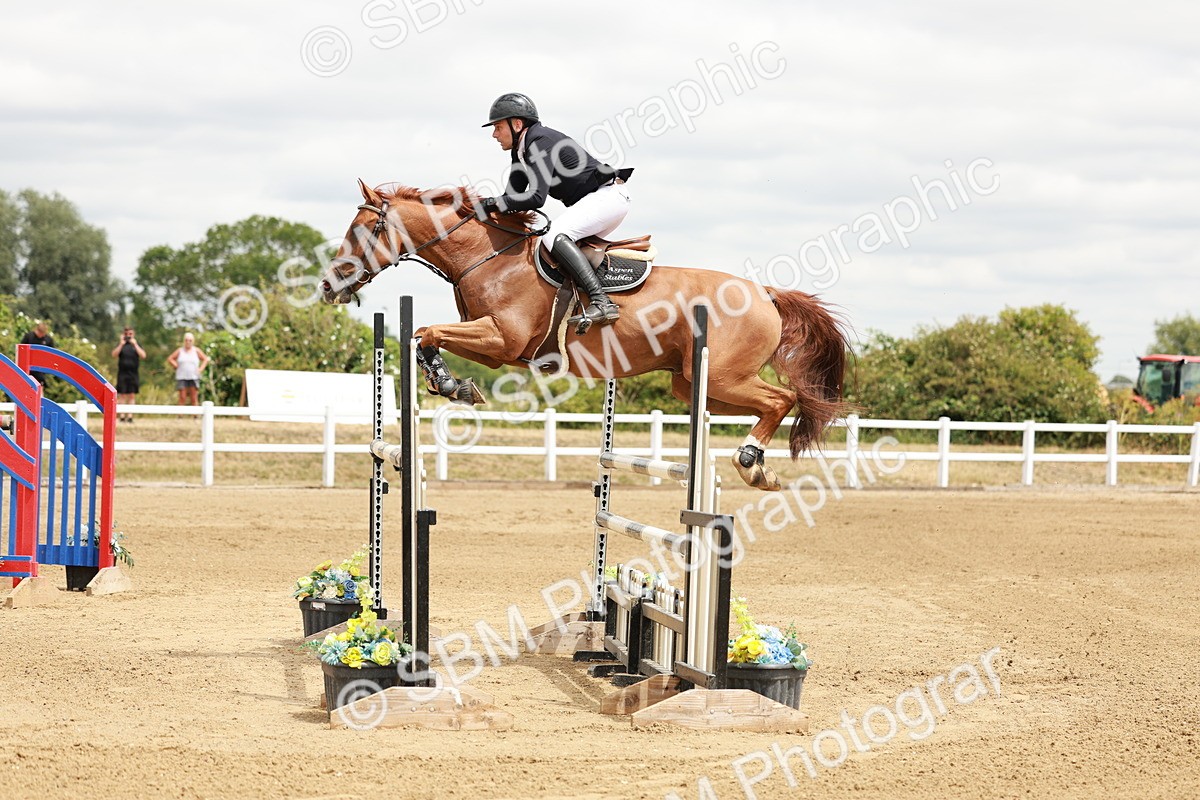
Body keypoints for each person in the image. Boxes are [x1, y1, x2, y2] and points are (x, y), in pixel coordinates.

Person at [478, 92, 634, 333]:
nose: (494, 134)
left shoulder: (539, 142)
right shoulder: (521, 149)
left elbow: (536, 198)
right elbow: (513, 198)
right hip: (599, 201)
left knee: (553, 236)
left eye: (498, 127)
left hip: (607, 198)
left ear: (517, 124)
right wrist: (480, 212)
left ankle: (602, 302)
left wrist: (488, 203)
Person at [111, 326, 146, 422]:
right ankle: (122, 416)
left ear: (133, 334)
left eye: (130, 334)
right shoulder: (121, 345)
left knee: (131, 395)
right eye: (126, 334)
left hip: (133, 373)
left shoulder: (136, 345)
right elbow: (114, 355)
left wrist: (135, 345)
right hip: (122, 373)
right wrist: (121, 344)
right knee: (122, 395)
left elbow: (143, 355)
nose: (128, 336)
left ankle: (130, 416)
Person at [167, 332, 210, 406]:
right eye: (186, 340)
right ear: (184, 341)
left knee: (194, 397)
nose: (188, 342)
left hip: (193, 376)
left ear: (193, 341)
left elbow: (205, 359)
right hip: (182, 376)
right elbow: (170, 358)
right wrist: (176, 365)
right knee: (182, 397)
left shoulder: (196, 350)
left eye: (190, 340)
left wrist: (200, 369)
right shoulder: (180, 350)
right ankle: (180, 416)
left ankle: (195, 416)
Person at [20, 321, 55, 385]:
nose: (42, 335)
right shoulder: (29, 336)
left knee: (40, 382)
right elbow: (21, 349)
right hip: (27, 365)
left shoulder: (48, 340)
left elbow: (51, 354)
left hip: (40, 367)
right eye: (40, 333)